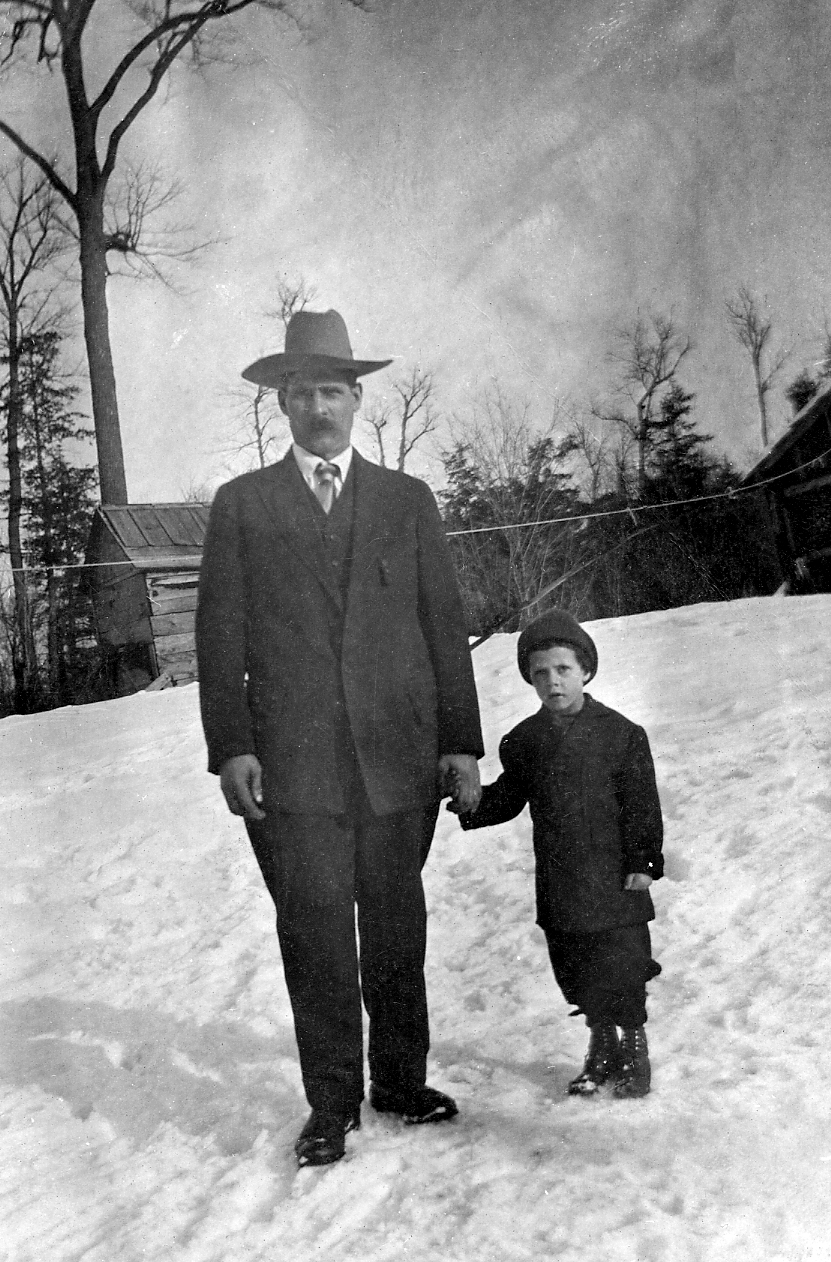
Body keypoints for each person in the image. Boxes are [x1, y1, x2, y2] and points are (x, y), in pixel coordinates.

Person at [195, 309, 484, 1166]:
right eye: (302, 391)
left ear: (357, 398)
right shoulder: (243, 507)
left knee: (397, 927)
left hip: (399, 759)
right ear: (282, 404)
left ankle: (400, 1079)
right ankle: (333, 1101)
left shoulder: (407, 501)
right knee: (316, 930)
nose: (319, 405)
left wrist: (461, 741)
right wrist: (232, 745)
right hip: (295, 770)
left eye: (332, 389)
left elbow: (444, 625)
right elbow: (220, 639)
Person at [457, 609, 663, 1098]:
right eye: (541, 673)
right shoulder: (525, 741)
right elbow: (509, 797)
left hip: (615, 879)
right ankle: (601, 1045)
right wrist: (470, 800)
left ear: (586, 670)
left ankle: (633, 1045)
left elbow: (642, 806)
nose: (553, 682)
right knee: (575, 966)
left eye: (563, 669)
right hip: (562, 878)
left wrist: (643, 862)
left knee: (623, 965)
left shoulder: (622, 734)